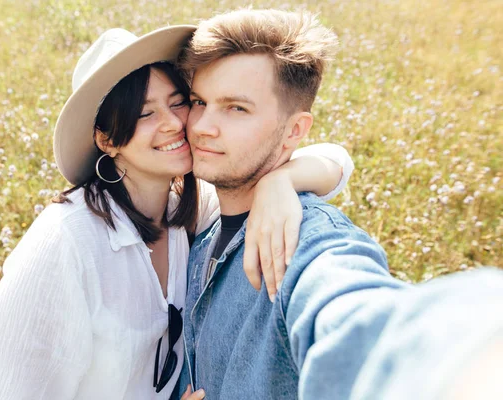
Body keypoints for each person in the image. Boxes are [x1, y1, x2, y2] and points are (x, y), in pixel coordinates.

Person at [0, 25, 354, 399]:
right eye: (144, 114)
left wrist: (281, 182)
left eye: (179, 102)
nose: (176, 124)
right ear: (107, 139)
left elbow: (335, 161)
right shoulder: (63, 244)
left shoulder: (189, 211)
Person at [175, 9, 503, 400]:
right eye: (199, 102)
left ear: (295, 130)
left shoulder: (306, 243)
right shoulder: (202, 225)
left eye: (236, 108)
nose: (201, 126)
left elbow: (359, 322)